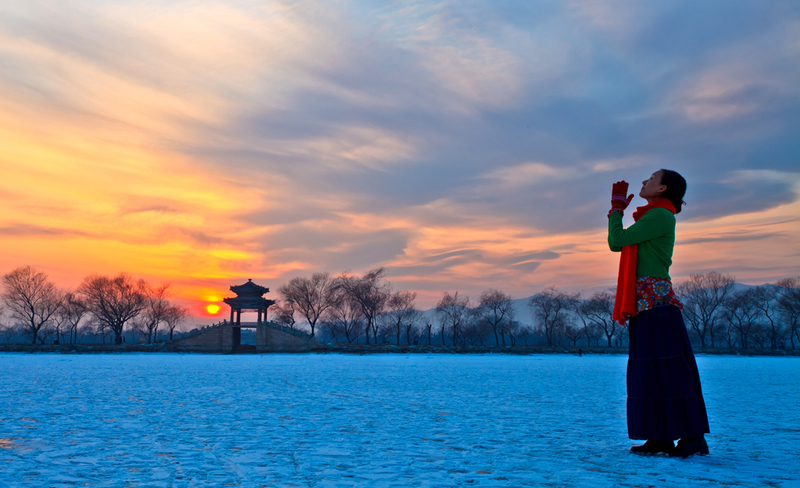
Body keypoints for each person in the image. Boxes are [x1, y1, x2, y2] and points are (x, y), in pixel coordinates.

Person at [607, 169, 710, 458]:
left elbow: (618, 241)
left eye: (651, 179)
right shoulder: (653, 215)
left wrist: (616, 211)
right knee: (648, 372)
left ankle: (692, 439)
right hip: (645, 304)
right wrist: (617, 212)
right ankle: (659, 438)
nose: (643, 182)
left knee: (671, 371)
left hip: (656, 305)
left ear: (663, 188)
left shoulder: (660, 215)